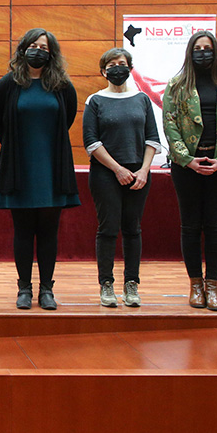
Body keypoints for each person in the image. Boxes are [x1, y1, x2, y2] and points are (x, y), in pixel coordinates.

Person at [0, 28, 79, 310]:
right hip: (19, 166)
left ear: (51, 54)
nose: (38, 50)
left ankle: (47, 289)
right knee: (23, 230)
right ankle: (24, 288)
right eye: (33, 45)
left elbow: (69, 116)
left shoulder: (62, 86)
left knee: (49, 231)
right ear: (23, 49)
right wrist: (13, 144)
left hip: (52, 166)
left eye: (44, 47)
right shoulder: (9, 84)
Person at [162, 31, 217, 311]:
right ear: (190, 52)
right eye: (198, 48)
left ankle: (214, 287)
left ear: (215, 52)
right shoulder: (176, 85)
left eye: (208, 48)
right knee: (191, 225)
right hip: (187, 166)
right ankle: (195, 286)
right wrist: (187, 159)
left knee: (216, 226)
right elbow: (169, 125)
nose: (203, 53)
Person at [82, 48, 160, 308]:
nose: (118, 68)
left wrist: (144, 170)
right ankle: (106, 284)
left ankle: (131, 284)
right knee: (107, 229)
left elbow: (152, 139)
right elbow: (91, 142)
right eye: (112, 64)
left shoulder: (142, 99)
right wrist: (117, 169)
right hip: (106, 174)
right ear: (104, 71)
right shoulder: (94, 101)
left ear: (130, 67)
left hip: (139, 174)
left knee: (133, 229)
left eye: (122, 63)